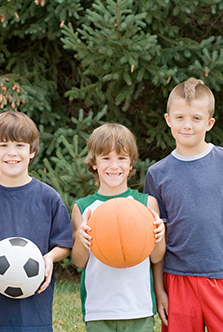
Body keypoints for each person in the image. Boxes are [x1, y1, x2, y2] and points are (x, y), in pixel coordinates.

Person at [144, 77, 223, 332]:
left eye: (196, 119)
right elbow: (157, 238)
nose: (187, 125)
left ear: (209, 123)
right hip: (177, 278)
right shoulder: (157, 174)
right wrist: (160, 290)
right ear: (168, 119)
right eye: (179, 118)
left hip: (219, 274)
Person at [71, 123, 165, 332]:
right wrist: (80, 237)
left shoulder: (146, 204)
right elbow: (79, 261)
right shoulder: (83, 208)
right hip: (99, 308)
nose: (114, 166)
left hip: (138, 307)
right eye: (106, 158)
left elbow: (156, 257)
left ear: (131, 164)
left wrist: (160, 235)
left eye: (121, 158)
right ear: (94, 163)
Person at [0, 111, 73, 332]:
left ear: (32, 151)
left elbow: (63, 242)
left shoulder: (48, 197)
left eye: (20, 145)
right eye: (3, 145)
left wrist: (50, 258)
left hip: (34, 309)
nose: (12, 153)